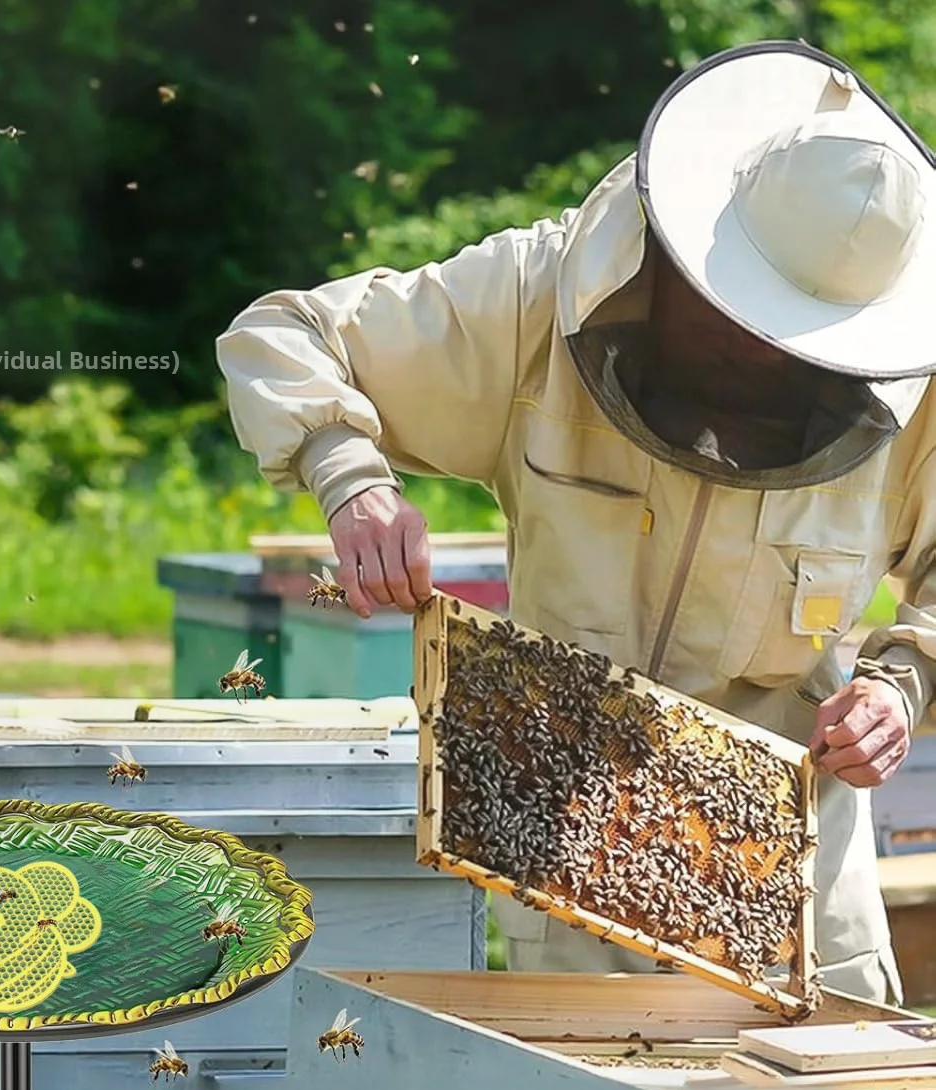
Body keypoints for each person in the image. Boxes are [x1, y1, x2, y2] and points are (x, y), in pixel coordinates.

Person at [216, 38, 936, 1004]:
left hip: (793, 867)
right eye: (748, 323)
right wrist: (353, 479)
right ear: (691, 253)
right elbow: (286, 334)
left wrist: (903, 683)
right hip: (569, 831)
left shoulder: (907, 389)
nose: (763, 362)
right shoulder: (537, 292)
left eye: (798, 347)